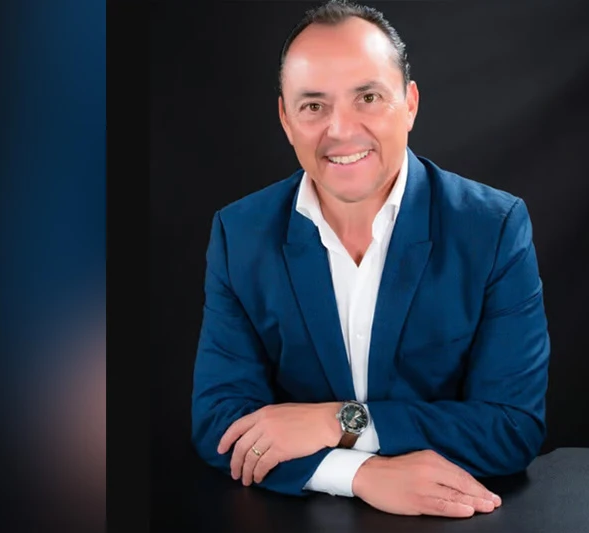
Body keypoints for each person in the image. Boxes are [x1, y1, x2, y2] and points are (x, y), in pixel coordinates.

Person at [191, 0, 550, 518]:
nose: (341, 129)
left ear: (410, 103)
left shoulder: (493, 227)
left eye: (368, 97)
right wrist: (356, 475)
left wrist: (338, 422)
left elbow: (512, 427)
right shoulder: (239, 234)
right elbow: (220, 424)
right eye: (313, 106)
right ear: (286, 119)